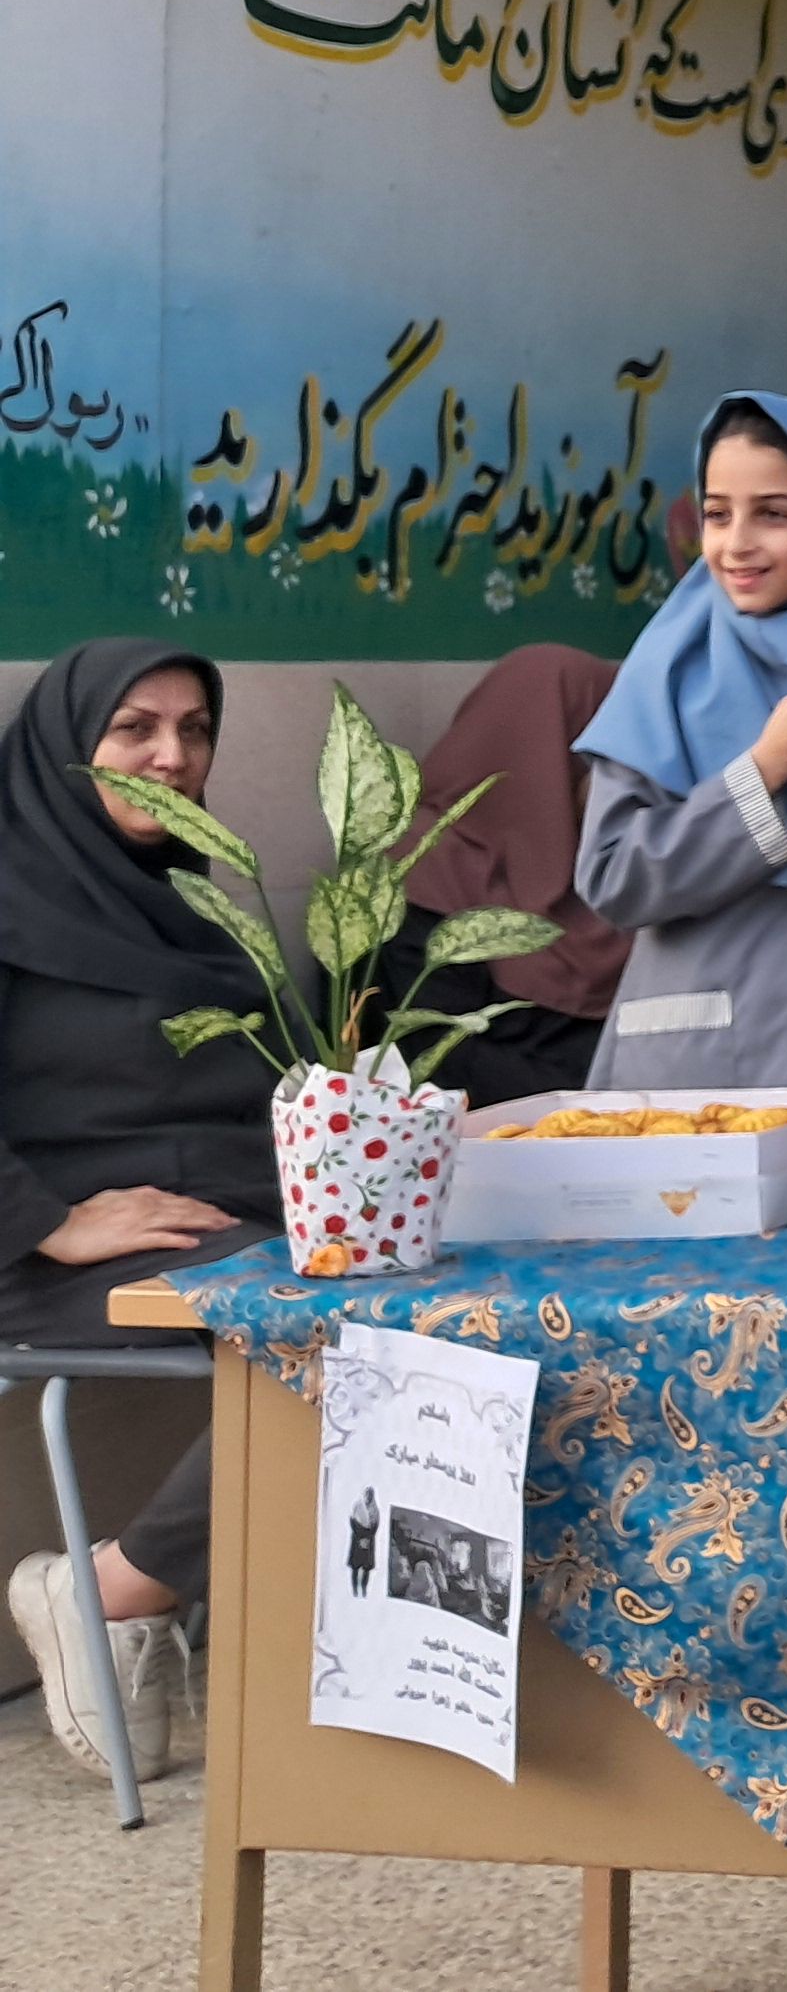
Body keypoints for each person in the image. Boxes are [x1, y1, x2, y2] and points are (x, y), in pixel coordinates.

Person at [0, 641, 279, 1786]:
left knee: (454, 1297)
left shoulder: (190, 905)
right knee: (345, 1333)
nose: (172, 756)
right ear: (68, 745)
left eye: (195, 729)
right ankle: (116, 1590)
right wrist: (48, 1221)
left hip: (225, 1227)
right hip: (51, 1255)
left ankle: (125, 1587)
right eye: (135, 728)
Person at [574, 395, 787, 1095]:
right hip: (680, 1076)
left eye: (774, 514)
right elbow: (612, 877)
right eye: (716, 514)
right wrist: (768, 766)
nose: (736, 543)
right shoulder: (671, 669)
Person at [401, 644, 629, 1104]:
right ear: (547, 757)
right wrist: (595, 1100)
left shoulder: (605, 871)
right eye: (605, 761)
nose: (623, 786)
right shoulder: (418, 868)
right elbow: (429, 1057)